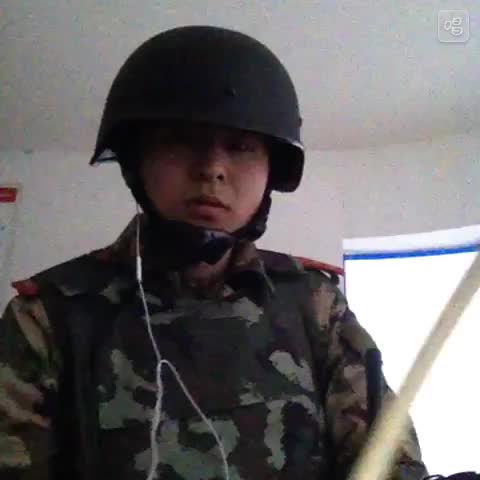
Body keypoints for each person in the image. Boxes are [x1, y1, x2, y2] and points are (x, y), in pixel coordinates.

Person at [0, 26, 427, 480]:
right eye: (181, 140)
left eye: (240, 146)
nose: (212, 169)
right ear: (136, 161)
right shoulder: (48, 317)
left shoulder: (315, 305)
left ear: (271, 171)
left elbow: (385, 458)